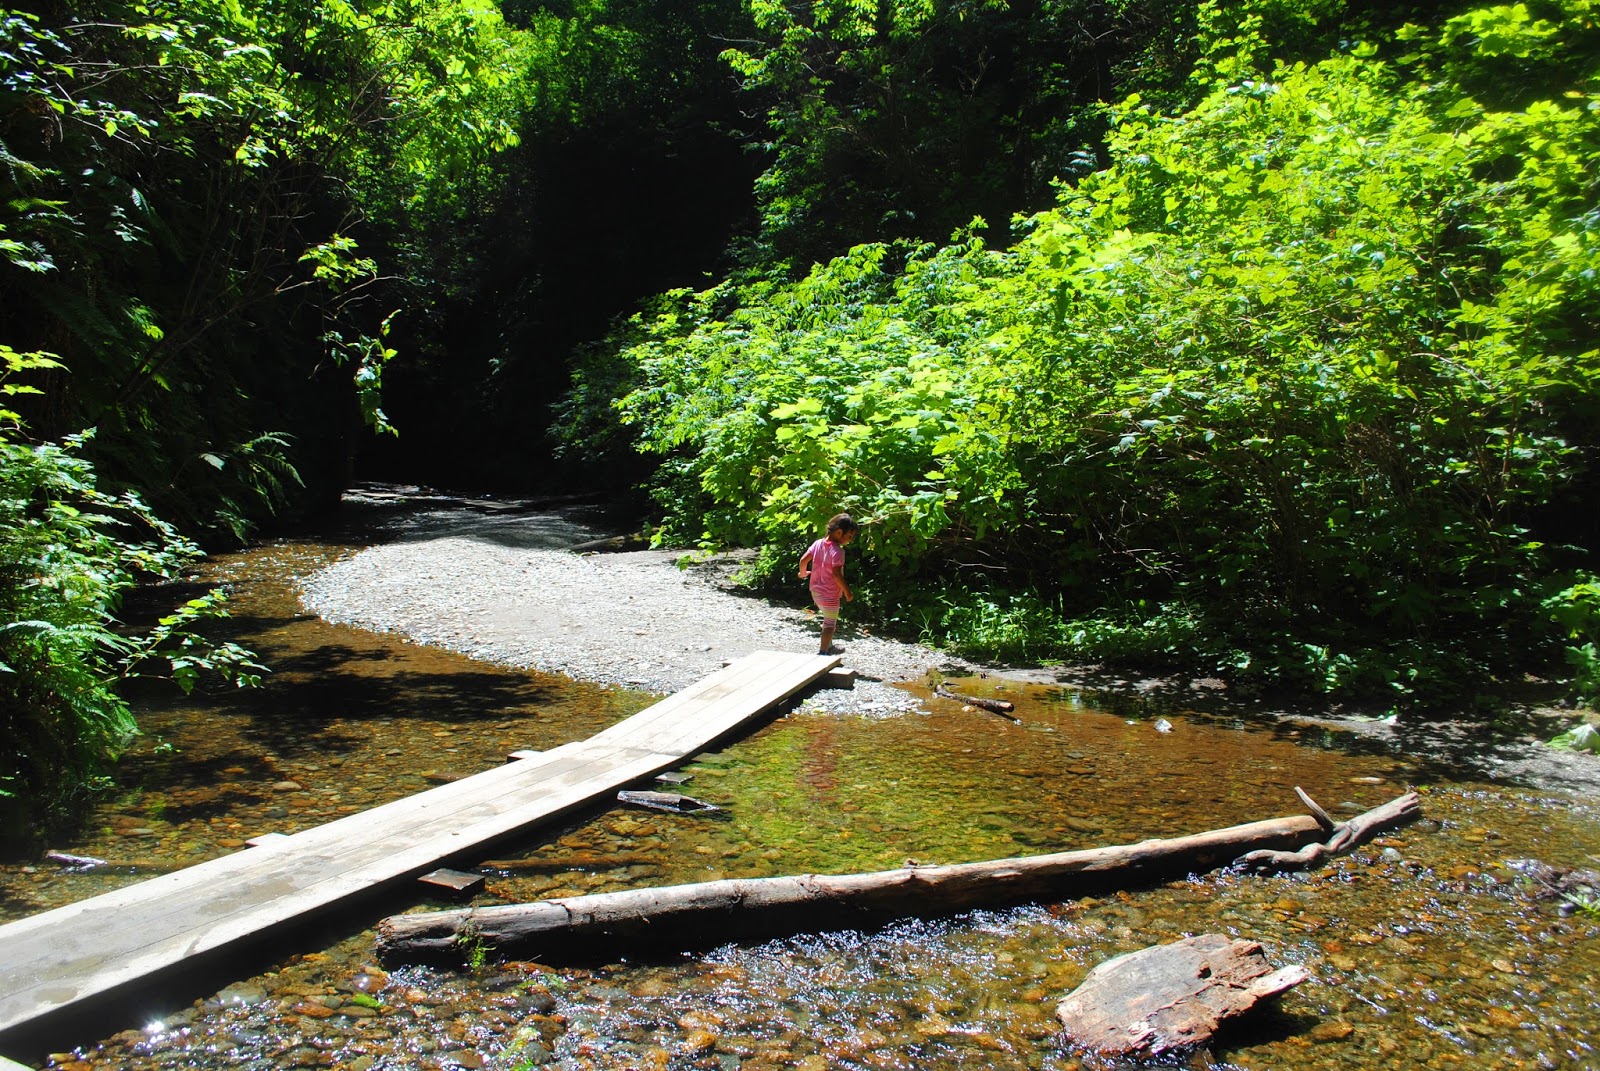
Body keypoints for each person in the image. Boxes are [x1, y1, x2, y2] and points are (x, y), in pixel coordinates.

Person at [798, 512, 858, 655]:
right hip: (830, 593)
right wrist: (847, 591)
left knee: (828, 618)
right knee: (830, 624)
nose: (851, 539)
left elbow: (803, 561)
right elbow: (836, 574)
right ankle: (823, 652)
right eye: (849, 535)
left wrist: (802, 573)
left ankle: (829, 647)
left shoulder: (817, 543)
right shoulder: (837, 552)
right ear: (839, 532)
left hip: (815, 592)